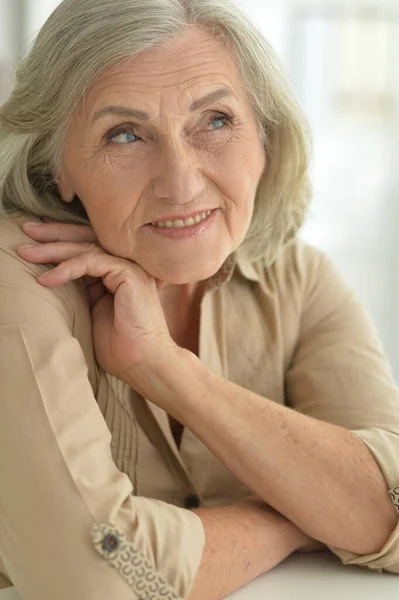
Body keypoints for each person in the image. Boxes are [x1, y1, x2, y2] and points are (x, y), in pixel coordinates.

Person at [0, 0, 398, 598]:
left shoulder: (298, 276)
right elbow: (96, 576)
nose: (181, 182)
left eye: (214, 120)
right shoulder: (21, 275)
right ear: (59, 169)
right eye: (125, 134)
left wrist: (166, 369)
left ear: (265, 138)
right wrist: (294, 515)